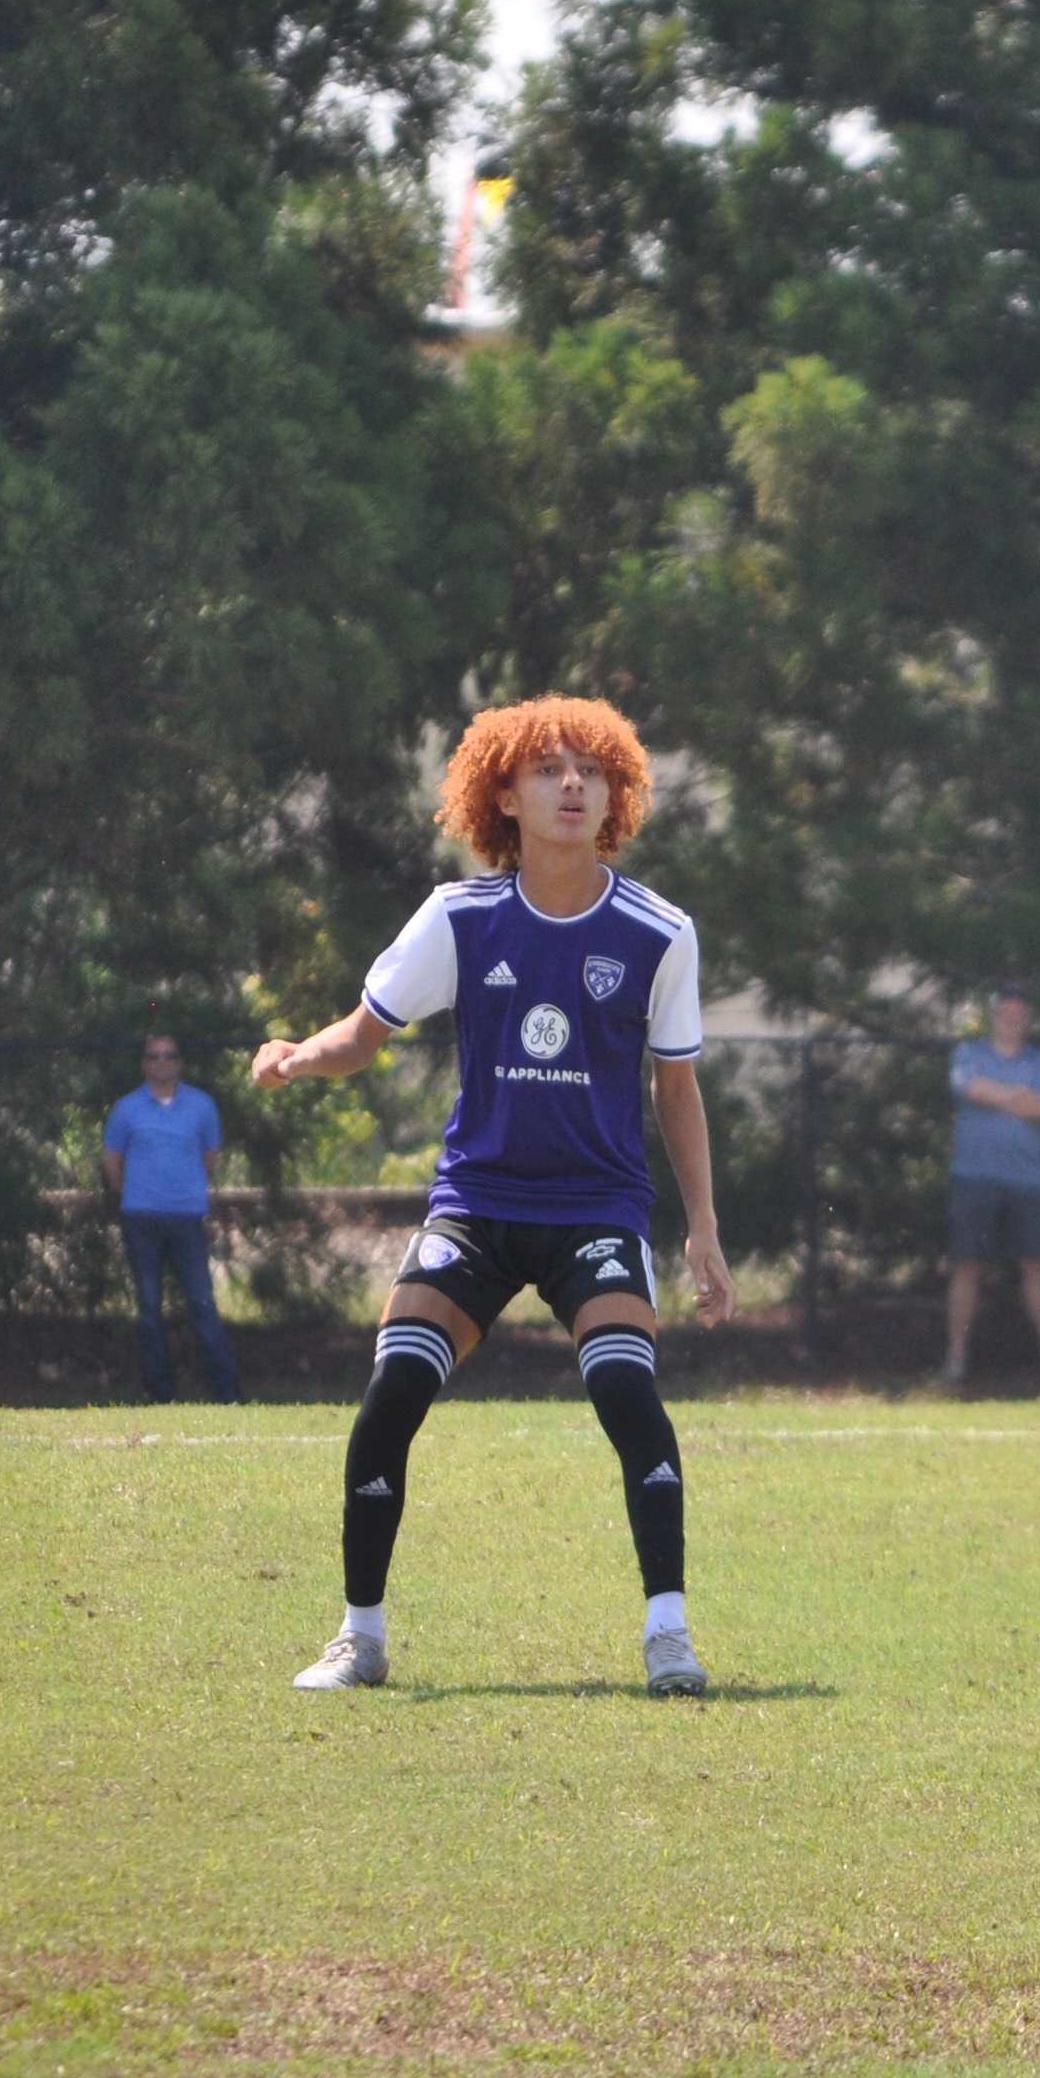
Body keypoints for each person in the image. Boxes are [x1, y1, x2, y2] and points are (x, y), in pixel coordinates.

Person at [256, 696, 735, 1698]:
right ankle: (361, 1638)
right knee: (393, 1393)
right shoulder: (459, 917)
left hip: (596, 1209)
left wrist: (703, 1229)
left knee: (624, 1389)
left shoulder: (659, 932)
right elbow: (363, 1032)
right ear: (502, 795)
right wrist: (300, 1057)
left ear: (615, 793)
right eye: (549, 770)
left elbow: (676, 1088)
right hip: (477, 1205)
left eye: (591, 771)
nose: (572, 785)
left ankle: (669, 1636)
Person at [945, 987, 1040, 1385]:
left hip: (1028, 1180)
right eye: (1004, 1013)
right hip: (973, 1175)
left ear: (1028, 1019)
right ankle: (956, 1358)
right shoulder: (969, 1055)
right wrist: (1018, 1097)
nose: (1011, 1020)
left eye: (1018, 1014)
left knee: (1037, 1267)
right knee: (967, 1266)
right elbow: (970, 1088)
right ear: (993, 1017)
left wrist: (997, 1094)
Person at [104, 1034, 242, 1403]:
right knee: (149, 1308)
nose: (162, 1062)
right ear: (144, 1064)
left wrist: (186, 1190)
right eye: (154, 1057)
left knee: (202, 1304)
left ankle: (226, 1392)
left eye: (169, 1056)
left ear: (179, 1062)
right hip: (141, 1219)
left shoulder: (202, 1106)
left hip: (187, 1218)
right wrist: (135, 1195)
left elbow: (210, 1158)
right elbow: (113, 1163)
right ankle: (159, 1392)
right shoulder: (127, 1109)